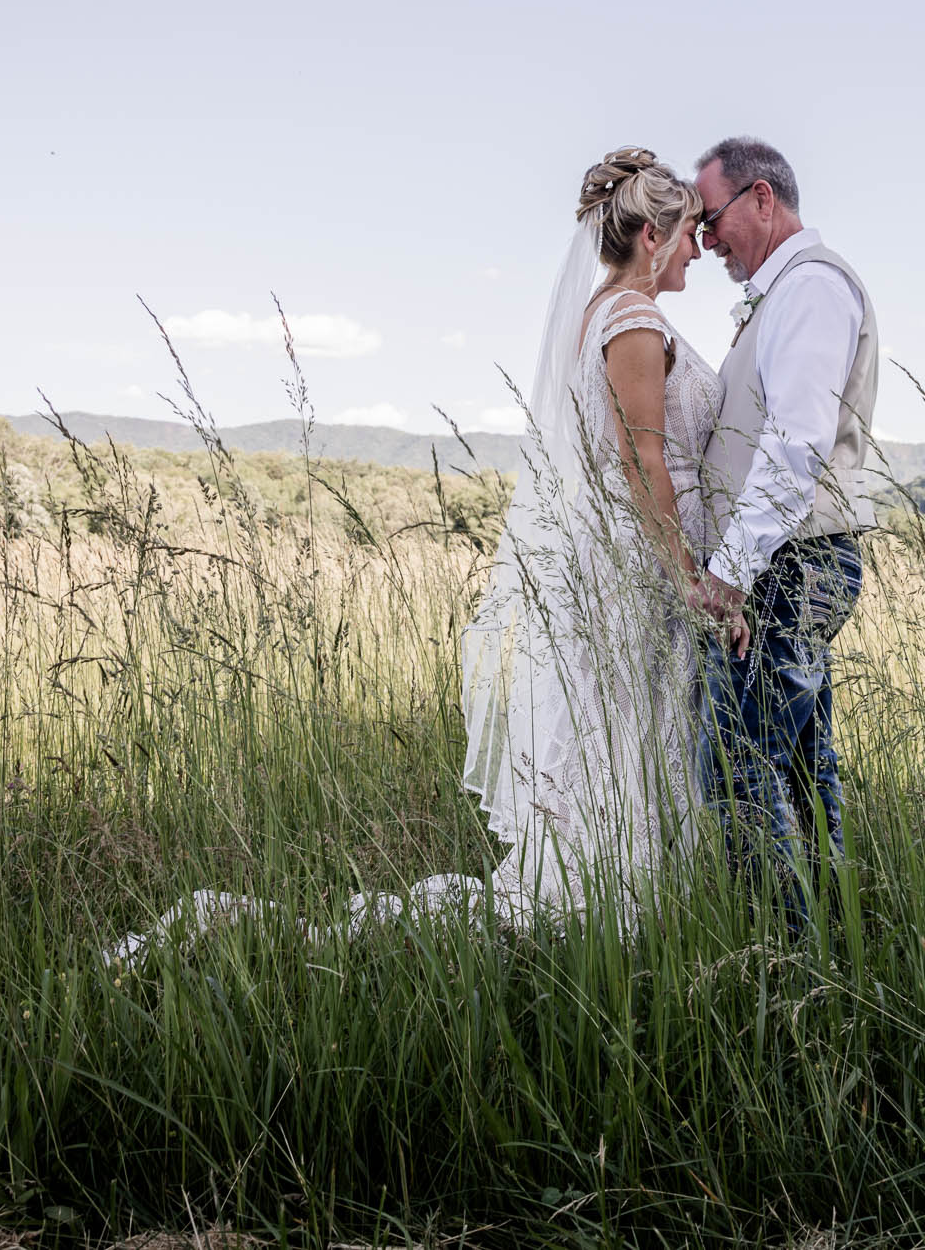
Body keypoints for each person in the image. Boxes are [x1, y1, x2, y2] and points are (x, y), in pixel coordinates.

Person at [108, 149, 727, 961]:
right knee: (628, 747)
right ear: (652, 233)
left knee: (620, 748)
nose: (696, 250)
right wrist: (687, 577)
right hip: (637, 569)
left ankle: (612, 896)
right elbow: (645, 461)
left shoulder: (597, 314)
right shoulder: (636, 322)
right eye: (688, 234)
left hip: (609, 563)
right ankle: (613, 913)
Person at [686, 137, 879, 928]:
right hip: (791, 561)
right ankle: (836, 945)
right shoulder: (786, 295)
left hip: (790, 565)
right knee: (802, 766)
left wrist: (729, 571)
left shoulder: (811, 289)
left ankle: (782, 966)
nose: (703, 240)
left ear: (762, 198)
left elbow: (797, 442)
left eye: (711, 217)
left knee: (735, 761)